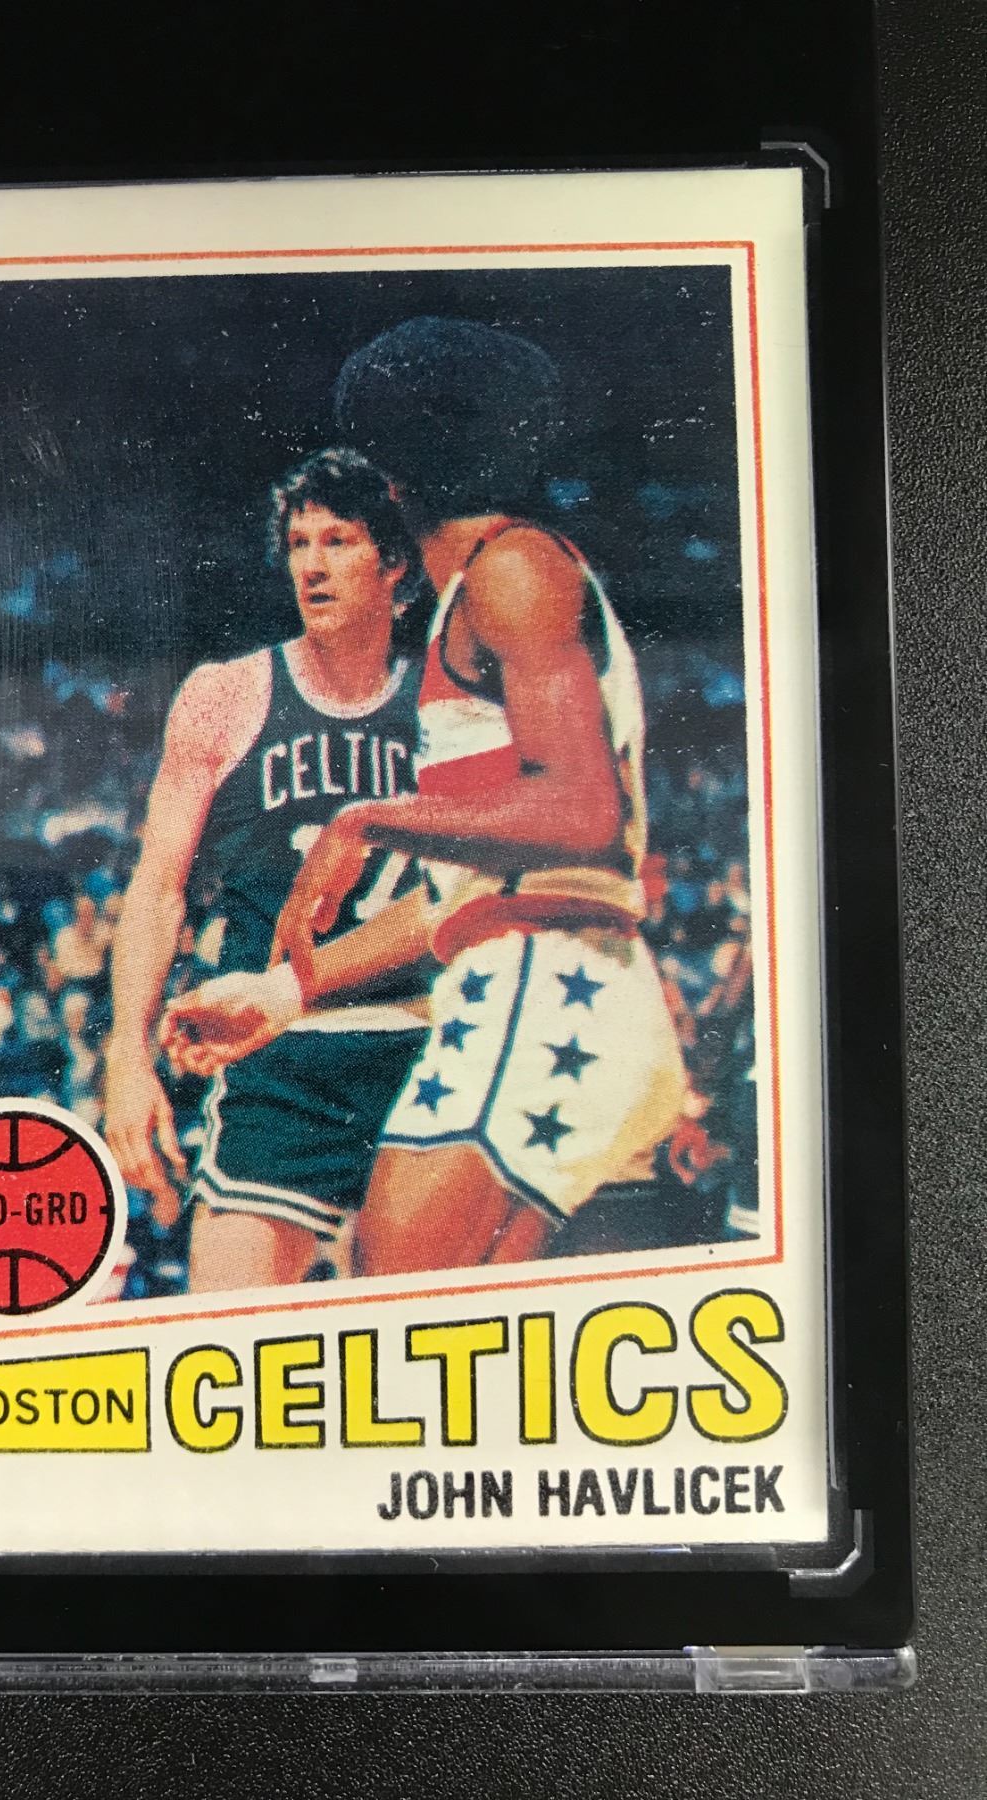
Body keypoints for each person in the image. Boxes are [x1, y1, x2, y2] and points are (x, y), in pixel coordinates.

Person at [165, 318, 687, 1275]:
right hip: (548, 980)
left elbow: (585, 814)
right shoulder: (481, 596)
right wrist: (284, 991)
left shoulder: (512, 568)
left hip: (550, 982)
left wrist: (366, 818)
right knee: (458, 1333)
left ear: (391, 483)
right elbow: (462, 891)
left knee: (402, 1304)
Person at [103, 448, 429, 1291]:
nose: (312, 566)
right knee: (227, 1332)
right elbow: (158, 888)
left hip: (425, 1044)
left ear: (395, 562)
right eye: (298, 544)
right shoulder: (227, 694)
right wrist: (128, 1051)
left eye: (339, 541)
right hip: (275, 1051)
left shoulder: (447, 698)